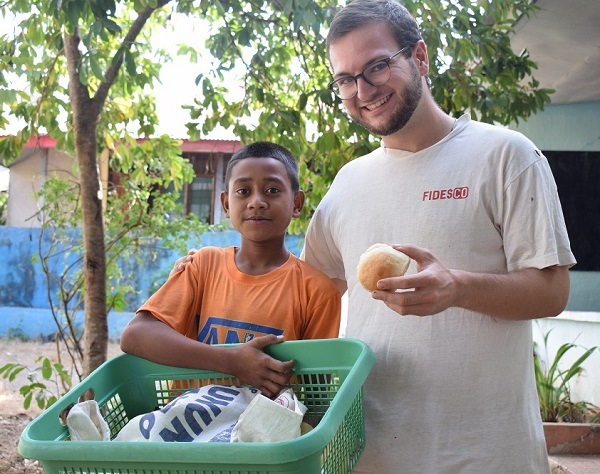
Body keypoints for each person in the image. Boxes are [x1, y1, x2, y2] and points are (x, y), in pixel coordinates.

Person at [171, 2, 575, 471]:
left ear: (419, 58)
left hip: (485, 453)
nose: (363, 89)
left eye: (377, 65)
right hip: (370, 453)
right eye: (345, 78)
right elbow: (298, 293)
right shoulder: (347, 184)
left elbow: (552, 290)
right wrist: (214, 266)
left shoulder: (505, 156)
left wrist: (457, 287)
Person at [120, 141, 341, 398]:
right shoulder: (203, 266)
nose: (256, 202)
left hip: (264, 435)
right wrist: (232, 362)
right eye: (243, 191)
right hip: (185, 428)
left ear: (296, 203)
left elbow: (316, 395)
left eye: (272, 190)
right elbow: (135, 335)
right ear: (226, 204)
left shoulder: (318, 292)